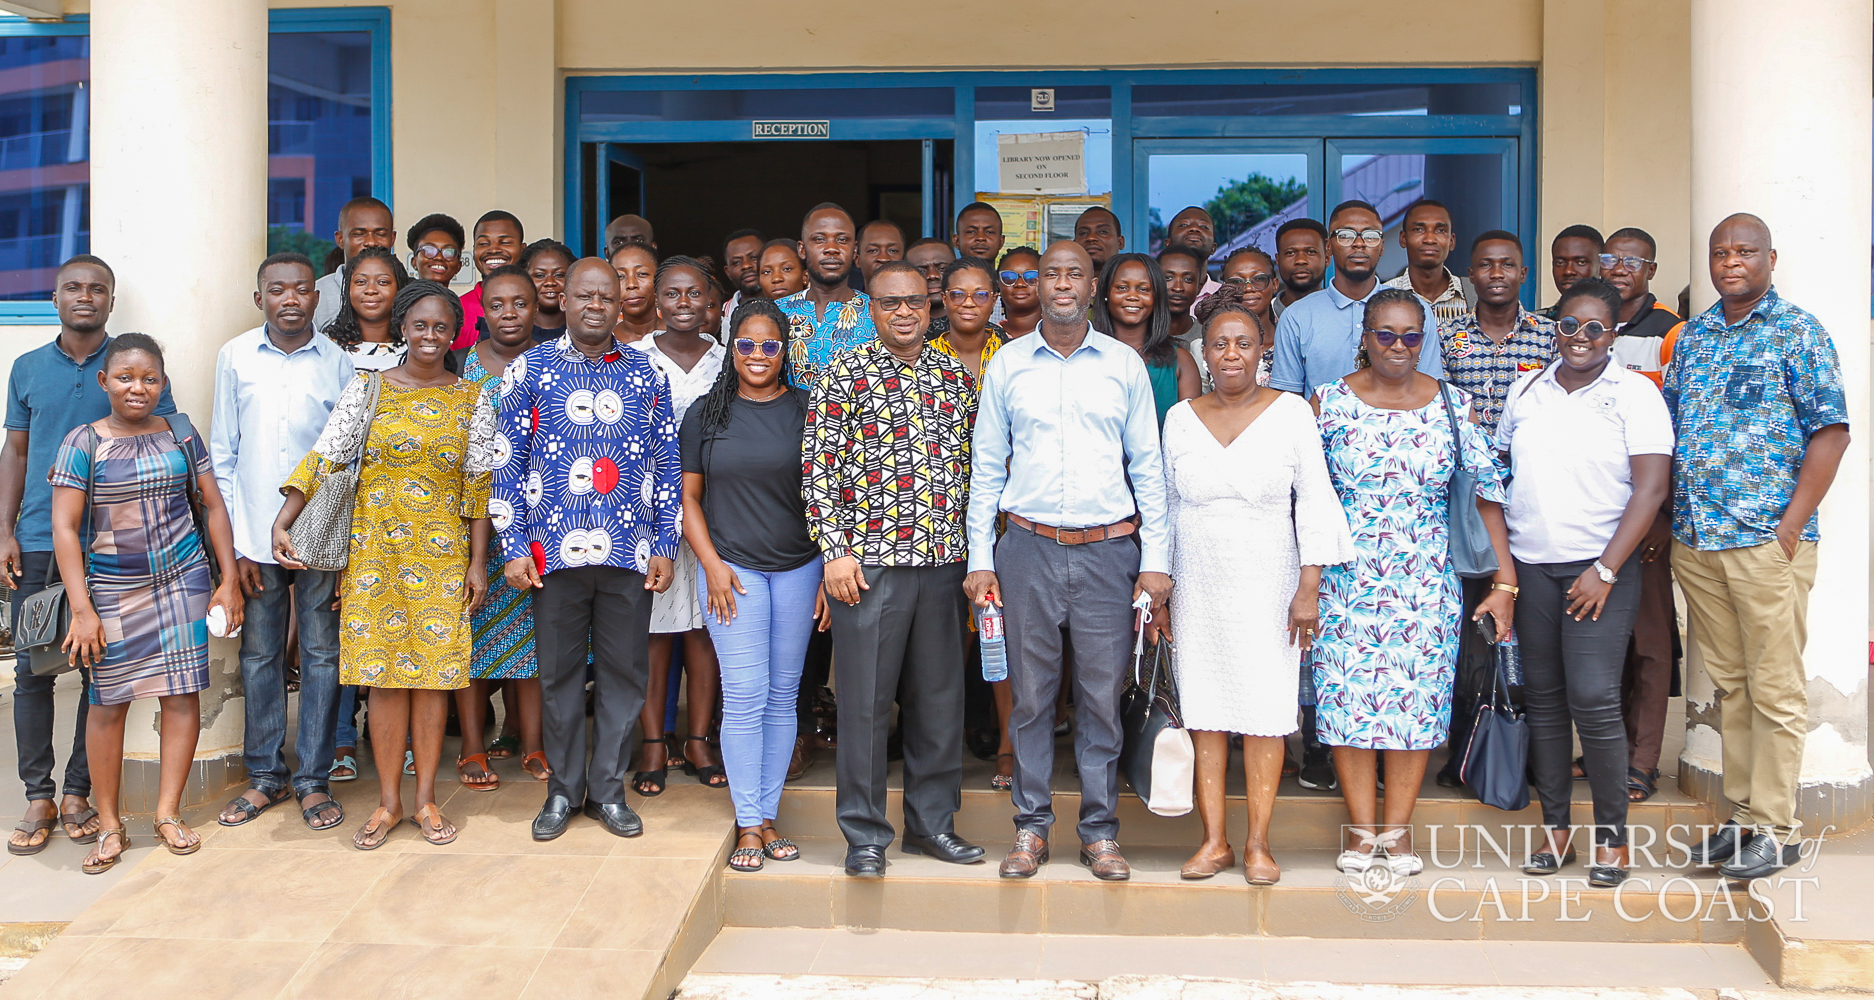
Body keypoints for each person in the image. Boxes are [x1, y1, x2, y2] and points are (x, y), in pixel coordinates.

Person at [965, 241, 1172, 883]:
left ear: (1092, 287)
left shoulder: (1123, 365)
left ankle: (1099, 832)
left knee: (1102, 698)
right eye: (1049, 273)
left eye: (1073, 274)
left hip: (1110, 551)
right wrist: (981, 558)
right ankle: (1030, 829)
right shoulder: (1008, 367)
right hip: (1024, 549)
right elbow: (985, 469)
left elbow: (1149, 467)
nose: (1059, 283)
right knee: (1029, 698)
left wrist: (1156, 560)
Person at [276, 281, 498, 850]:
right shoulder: (368, 388)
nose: (430, 335)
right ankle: (388, 802)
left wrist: (478, 563)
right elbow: (328, 453)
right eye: (420, 325)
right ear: (403, 328)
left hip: (443, 557)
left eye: (441, 327)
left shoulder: (473, 398)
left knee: (430, 683)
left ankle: (424, 800)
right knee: (383, 681)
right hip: (374, 556)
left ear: (456, 333)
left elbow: (478, 486)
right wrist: (286, 517)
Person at [1312, 287, 1515, 877]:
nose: (1398, 346)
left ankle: (1398, 833)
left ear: (1423, 341)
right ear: (1365, 338)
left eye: (1410, 336)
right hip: (1346, 578)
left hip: (1427, 579)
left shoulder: (1454, 405)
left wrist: (1504, 584)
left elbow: (1485, 499)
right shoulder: (1326, 404)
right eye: (1385, 335)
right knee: (1347, 702)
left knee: (1416, 703)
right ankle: (1360, 831)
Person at [1672, 214, 1849, 880]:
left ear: (1770, 258)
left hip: (1765, 543)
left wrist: (1792, 524)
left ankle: (1778, 827)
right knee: (1734, 689)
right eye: (1721, 253)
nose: (1731, 262)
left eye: (1744, 251)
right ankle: (1743, 820)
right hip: (1700, 541)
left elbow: (1830, 432)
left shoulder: (1797, 332)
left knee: (1775, 690)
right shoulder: (1693, 338)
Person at [1164, 304, 1354, 883]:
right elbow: (1167, 508)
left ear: (1261, 350)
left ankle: (1259, 845)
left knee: (1267, 713)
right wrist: (1161, 587)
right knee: (1206, 712)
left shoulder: (1292, 413)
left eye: (1243, 343)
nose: (1230, 355)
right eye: (1219, 344)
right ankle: (1214, 841)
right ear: (1205, 352)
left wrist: (1309, 586)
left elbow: (1317, 499)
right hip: (1197, 581)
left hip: (1271, 576)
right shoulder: (1179, 417)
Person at [806, 261, 982, 878]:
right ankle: (864, 836)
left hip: (941, 562)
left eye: (913, 302)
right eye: (889, 303)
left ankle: (932, 826)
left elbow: (975, 471)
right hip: (868, 564)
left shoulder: (955, 379)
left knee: (939, 700)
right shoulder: (842, 377)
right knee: (865, 705)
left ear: (929, 306)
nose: (903, 313)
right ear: (872, 309)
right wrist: (835, 551)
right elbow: (820, 470)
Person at [495, 258, 680, 843]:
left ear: (620, 302)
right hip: (553, 556)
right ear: (565, 301)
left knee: (626, 676)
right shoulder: (530, 369)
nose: (596, 305)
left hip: (629, 552)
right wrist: (512, 545)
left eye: (606, 296)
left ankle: (607, 791)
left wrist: (666, 543)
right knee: (560, 676)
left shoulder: (648, 372)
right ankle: (562, 791)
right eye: (584, 296)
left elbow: (668, 463)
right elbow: (507, 463)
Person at [1498, 277, 1672, 887]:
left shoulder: (1635, 395)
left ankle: (1612, 838)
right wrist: (1507, 571)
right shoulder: (1527, 390)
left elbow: (1650, 488)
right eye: (1569, 325)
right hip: (1532, 566)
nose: (1581, 338)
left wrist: (1604, 569)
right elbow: (1504, 474)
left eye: (1595, 327)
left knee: (1594, 699)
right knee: (1543, 701)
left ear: (1615, 333)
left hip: (1601, 570)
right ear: (1556, 328)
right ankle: (1555, 831)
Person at [2, 256, 174, 856]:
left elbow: (166, 446)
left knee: (99, 676)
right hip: (41, 541)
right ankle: (39, 794)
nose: (85, 296)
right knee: (34, 672)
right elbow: (17, 455)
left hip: (117, 551)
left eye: (96, 289)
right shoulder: (27, 369)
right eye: (73, 288)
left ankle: (78, 791)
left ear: (110, 299)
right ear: (54, 297)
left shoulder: (130, 368)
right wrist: (5, 531)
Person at [52, 333, 244, 871]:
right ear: (104, 382)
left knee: (181, 697)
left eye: (149, 379)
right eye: (125, 378)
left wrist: (227, 579)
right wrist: (83, 608)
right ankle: (110, 826)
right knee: (107, 704)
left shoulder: (180, 432)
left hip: (183, 583)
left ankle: (167, 813)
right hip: (111, 591)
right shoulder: (82, 442)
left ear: (163, 382)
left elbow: (212, 507)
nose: (138, 388)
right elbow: (65, 529)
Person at [211, 253, 355, 833]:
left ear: (317, 299)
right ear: (260, 298)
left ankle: (313, 779)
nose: (290, 299)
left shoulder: (340, 363)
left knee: (322, 654)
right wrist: (235, 549)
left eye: (300, 289)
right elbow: (223, 454)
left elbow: (346, 460)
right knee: (260, 654)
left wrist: (342, 544)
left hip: (318, 536)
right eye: (277, 290)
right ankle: (265, 776)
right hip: (252, 536)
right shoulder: (234, 357)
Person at [685, 298, 822, 872]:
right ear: (731, 349)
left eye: (770, 345)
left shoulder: (808, 409)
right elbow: (687, 500)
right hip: (732, 571)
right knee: (744, 694)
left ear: (785, 349)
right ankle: (747, 823)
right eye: (747, 344)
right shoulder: (705, 414)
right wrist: (713, 565)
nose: (759, 355)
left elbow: (828, 495)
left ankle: (767, 816)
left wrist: (831, 565)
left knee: (783, 695)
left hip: (799, 568)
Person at [1431, 230, 1557, 790]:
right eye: (1486, 265)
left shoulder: (1554, 338)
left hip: (1534, 506)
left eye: (1508, 265)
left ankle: (1528, 755)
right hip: (1465, 512)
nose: (1497, 273)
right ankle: (1466, 754)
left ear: (1524, 273)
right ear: (1471, 274)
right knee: (1467, 637)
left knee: (1531, 638)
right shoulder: (1446, 337)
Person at [630, 257, 728, 796]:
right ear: (656, 300)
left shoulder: (727, 360)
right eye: (672, 293)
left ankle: (696, 738)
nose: (683, 302)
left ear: (710, 300)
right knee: (653, 630)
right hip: (648, 513)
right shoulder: (634, 359)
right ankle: (652, 741)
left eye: (694, 293)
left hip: (715, 513)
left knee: (704, 626)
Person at [451, 265, 551, 789]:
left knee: (534, 640)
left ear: (537, 309)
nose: (508, 313)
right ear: (481, 311)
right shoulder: (462, 370)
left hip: (538, 526)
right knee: (474, 639)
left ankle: (533, 745)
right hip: (477, 526)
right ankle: (471, 747)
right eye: (497, 304)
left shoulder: (553, 363)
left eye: (520, 303)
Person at [1601, 226, 1683, 800]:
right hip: (1595, 516)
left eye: (1634, 260)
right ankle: (1607, 751)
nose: (1621, 266)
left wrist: (1662, 515)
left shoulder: (1672, 334)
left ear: (1651, 271)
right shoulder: (1583, 325)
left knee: (1650, 643)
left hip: (1646, 512)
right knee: (1607, 646)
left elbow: (1682, 427)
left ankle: (1643, 759)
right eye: (1612, 258)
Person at [1270, 200, 1445, 402]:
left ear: (1382, 246)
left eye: (1371, 236)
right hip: (1320, 432)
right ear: (1328, 247)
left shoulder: (1416, 310)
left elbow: (1431, 392)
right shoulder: (1297, 316)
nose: (1359, 243)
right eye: (1346, 235)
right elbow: (1288, 405)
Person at [1091, 253, 1200, 426]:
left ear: (1156, 297)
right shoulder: (1086, 354)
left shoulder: (1181, 361)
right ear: (1105, 293)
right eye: (1122, 287)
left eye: (1143, 289)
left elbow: (1188, 435)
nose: (1133, 296)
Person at [778, 203, 875, 391]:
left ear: (855, 250)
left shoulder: (876, 313)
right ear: (802, 249)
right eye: (819, 239)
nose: (832, 248)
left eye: (842, 240)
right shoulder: (776, 313)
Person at [1603, 228, 1682, 387]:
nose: (1618, 270)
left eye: (1632, 263)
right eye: (1609, 260)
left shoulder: (1671, 331)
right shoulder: (1589, 323)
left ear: (1651, 271)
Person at [1383, 199, 1473, 328]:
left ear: (1451, 241)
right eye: (1419, 229)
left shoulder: (1473, 296)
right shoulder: (1385, 296)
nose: (1430, 239)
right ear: (1403, 239)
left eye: (1440, 230)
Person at [313, 196, 396, 334]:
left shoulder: (410, 291)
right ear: (340, 239)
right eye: (359, 234)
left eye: (380, 234)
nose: (371, 242)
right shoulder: (317, 294)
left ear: (392, 239)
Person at [325, 246, 412, 371]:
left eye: (382, 282)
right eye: (361, 281)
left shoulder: (416, 348)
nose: (371, 290)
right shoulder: (327, 349)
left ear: (400, 288)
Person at [457, 210, 526, 348]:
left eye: (505, 242)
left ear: (522, 249)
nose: (493, 249)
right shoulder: (457, 309)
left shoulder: (536, 306)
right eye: (483, 243)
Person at [931, 257, 1005, 385]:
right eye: (958, 294)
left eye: (980, 295)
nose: (968, 303)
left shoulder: (1009, 355)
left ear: (993, 300)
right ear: (944, 299)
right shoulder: (924, 357)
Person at [521, 239, 576, 343]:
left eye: (559, 275)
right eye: (540, 275)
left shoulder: (584, 331)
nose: (550, 282)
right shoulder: (512, 330)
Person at [1543, 225, 1604, 319]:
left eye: (1581, 262)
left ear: (1601, 265)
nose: (1568, 271)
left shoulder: (1618, 322)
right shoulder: (1535, 324)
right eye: (1560, 263)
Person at [1273, 218, 1329, 316]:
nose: (1301, 260)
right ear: (1278, 260)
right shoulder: (1264, 315)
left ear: (1327, 259)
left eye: (1311, 252)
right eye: (1290, 253)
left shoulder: (1341, 315)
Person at [1164, 206, 1222, 296]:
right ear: (1168, 244)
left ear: (1213, 248)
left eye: (1203, 226)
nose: (1194, 228)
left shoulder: (1226, 297)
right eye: (1184, 225)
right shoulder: (1151, 295)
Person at [610, 241, 659, 344]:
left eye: (642, 274)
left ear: (659, 279)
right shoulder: (604, 344)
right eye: (620, 276)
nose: (631, 284)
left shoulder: (680, 337)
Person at [1157, 245, 1207, 347]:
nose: (1178, 288)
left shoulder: (1207, 337)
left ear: (1199, 287)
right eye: (1168, 278)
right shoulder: (1139, 335)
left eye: (1188, 279)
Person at [906, 237, 956, 330]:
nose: (932, 276)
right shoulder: (899, 330)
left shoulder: (983, 333)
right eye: (921, 271)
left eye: (942, 268)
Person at [720, 228, 766, 329]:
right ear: (728, 272)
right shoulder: (720, 317)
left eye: (754, 257)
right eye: (736, 262)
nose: (746, 265)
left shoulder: (793, 307)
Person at [406, 213, 466, 289]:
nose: (439, 257)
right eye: (429, 250)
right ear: (414, 262)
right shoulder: (400, 300)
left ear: (458, 266)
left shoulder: (462, 301)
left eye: (448, 252)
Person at [996, 247, 1042, 339]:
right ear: (998, 283)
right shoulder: (986, 337)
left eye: (1031, 277)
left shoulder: (1058, 337)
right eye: (1009, 277)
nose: (1020, 284)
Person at [1073, 206, 1125, 272]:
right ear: (1074, 244)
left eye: (1103, 232)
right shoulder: (1062, 281)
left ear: (1120, 242)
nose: (1091, 238)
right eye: (1083, 233)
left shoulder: (1134, 280)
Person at [856, 219, 906, 285]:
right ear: (858, 260)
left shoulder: (918, 295)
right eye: (873, 251)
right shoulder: (848, 295)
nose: (883, 259)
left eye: (893, 251)